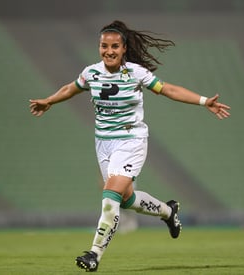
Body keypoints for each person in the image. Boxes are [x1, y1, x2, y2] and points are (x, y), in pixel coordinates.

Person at [29, 20, 231, 272]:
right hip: (103, 143)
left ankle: (94, 254)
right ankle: (168, 211)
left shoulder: (136, 73)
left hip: (131, 141)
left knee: (110, 197)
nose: (109, 51)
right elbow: (71, 88)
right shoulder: (92, 72)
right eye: (104, 46)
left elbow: (168, 89)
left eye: (115, 46)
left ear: (124, 48)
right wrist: (49, 101)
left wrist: (204, 102)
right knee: (125, 200)